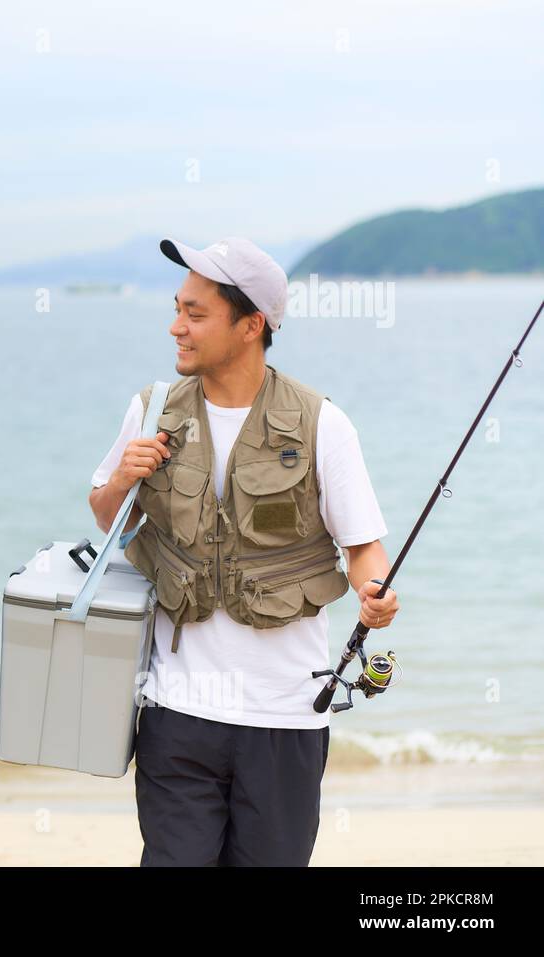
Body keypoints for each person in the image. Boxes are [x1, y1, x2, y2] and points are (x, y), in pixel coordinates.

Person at [88, 237, 400, 866]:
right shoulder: (150, 411)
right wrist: (124, 477)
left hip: (286, 718)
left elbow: (365, 546)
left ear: (252, 324)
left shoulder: (321, 424)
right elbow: (107, 520)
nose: (176, 326)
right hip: (177, 714)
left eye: (196, 314)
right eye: (178, 308)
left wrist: (376, 597)